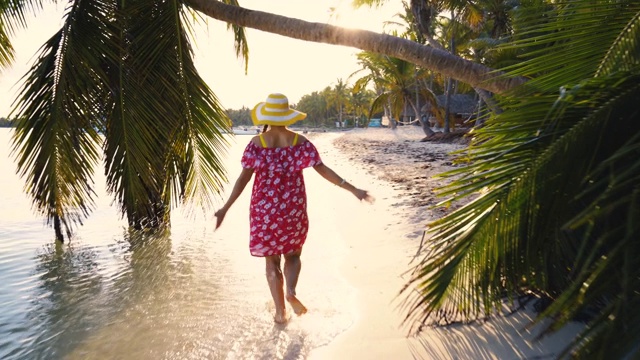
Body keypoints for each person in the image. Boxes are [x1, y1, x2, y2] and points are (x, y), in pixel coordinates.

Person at [214, 93, 374, 324]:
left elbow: (243, 180)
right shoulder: (300, 143)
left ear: (267, 115)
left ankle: (280, 313)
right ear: (287, 115)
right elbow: (324, 170)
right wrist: (353, 189)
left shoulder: (256, 144)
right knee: (293, 254)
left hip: (264, 210)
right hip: (293, 208)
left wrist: (225, 208)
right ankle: (291, 291)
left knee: (271, 262)